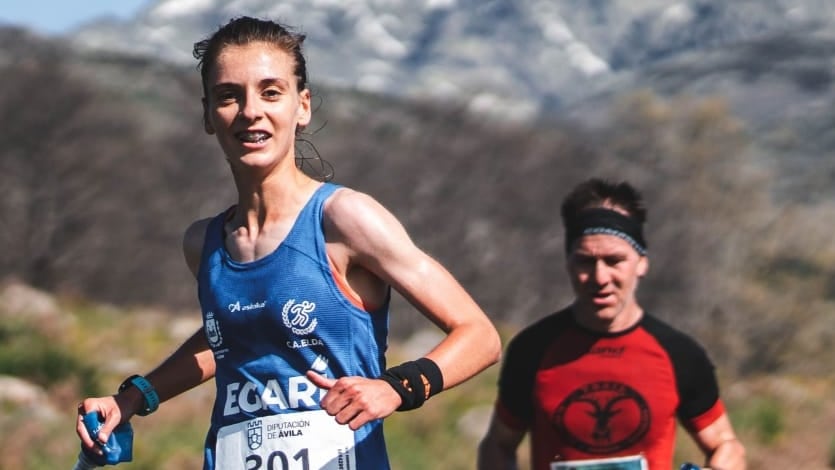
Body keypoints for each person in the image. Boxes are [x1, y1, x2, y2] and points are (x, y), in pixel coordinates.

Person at [75, 16, 501, 469]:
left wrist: (396, 387)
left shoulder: (344, 219)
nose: (250, 110)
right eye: (229, 96)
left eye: (270, 92)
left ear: (303, 106)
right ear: (207, 115)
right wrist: (133, 398)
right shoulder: (204, 243)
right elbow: (231, 337)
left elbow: (480, 336)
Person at [477, 178, 746, 470]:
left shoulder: (679, 354)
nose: (600, 277)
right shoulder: (533, 349)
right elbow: (499, 444)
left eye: (614, 260)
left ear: (641, 263)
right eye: (585, 262)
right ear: (568, 263)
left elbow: (724, 444)